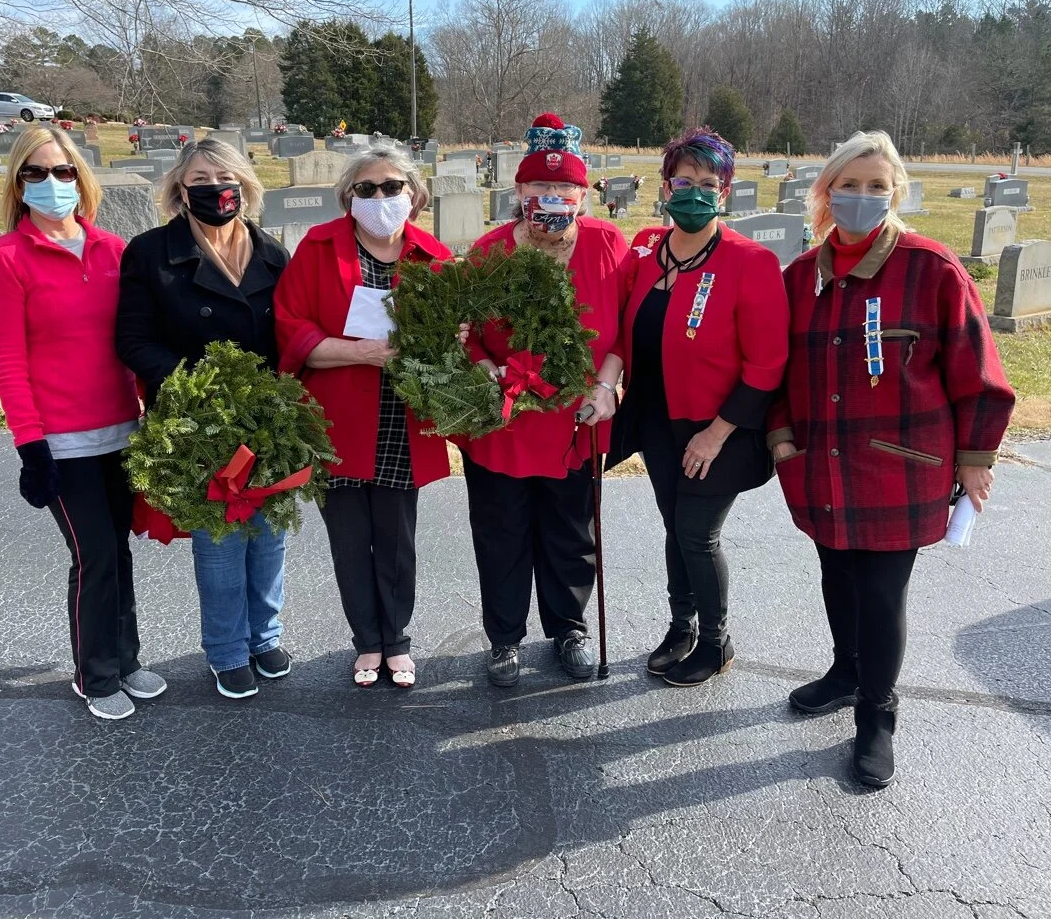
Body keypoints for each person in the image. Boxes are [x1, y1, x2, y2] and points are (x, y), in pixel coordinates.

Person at [770, 130, 1015, 788]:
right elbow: (772, 371)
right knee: (835, 576)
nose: (861, 198)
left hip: (898, 470)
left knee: (881, 594)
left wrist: (974, 459)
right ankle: (846, 671)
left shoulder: (931, 270)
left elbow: (979, 375)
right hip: (819, 466)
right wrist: (782, 441)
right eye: (848, 186)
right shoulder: (799, 279)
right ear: (826, 193)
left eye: (876, 186)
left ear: (896, 193)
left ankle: (877, 715)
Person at [0, 125, 165, 721]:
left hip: (122, 432)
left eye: (62, 171)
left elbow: (133, 342)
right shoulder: (7, 260)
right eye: (36, 173)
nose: (51, 183)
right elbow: (7, 361)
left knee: (120, 552)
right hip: (62, 442)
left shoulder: (113, 251)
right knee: (95, 556)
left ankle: (127, 658)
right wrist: (31, 448)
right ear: (18, 183)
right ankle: (95, 673)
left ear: (80, 177)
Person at [607, 127, 790, 687]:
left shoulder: (749, 262)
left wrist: (717, 433)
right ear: (665, 186)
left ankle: (716, 639)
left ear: (725, 192)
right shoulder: (645, 252)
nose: (694, 192)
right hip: (657, 420)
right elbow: (622, 332)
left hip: (720, 428)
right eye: (683, 181)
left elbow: (766, 364)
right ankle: (680, 625)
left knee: (696, 533)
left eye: (708, 184)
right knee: (673, 525)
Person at [115, 138, 292, 701]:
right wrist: (200, 390)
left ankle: (264, 637)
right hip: (196, 421)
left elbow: (289, 331)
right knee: (221, 539)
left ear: (244, 185)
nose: (215, 187)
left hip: (267, 420)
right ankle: (226, 649)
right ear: (180, 190)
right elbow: (134, 340)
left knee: (268, 536)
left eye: (225, 175)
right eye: (200, 178)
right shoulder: (150, 253)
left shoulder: (271, 251)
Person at [274, 144, 452, 689]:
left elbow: (452, 340)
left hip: (403, 414)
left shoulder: (434, 256)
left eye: (391, 186)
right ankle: (366, 641)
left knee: (396, 535)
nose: (379, 197)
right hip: (337, 412)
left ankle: (396, 638)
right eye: (366, 189)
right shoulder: (318, 246)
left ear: (414, 195)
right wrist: (361, 352)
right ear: (348, 198)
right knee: (349, 535)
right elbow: (291, 326)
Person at [461, 113, 629, 688]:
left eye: (564, 190)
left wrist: (607, 384)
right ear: (519, 192)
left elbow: (625, 327)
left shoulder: (608, 245)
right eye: (539, 188)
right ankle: (505, 638)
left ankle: (568, 628)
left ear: (583, 194)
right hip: (504, 422)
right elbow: (471, 335)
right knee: (502, 530)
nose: (551, 198)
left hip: (575, 421)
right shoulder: (488, 253)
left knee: (568, 530)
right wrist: (486, 372)